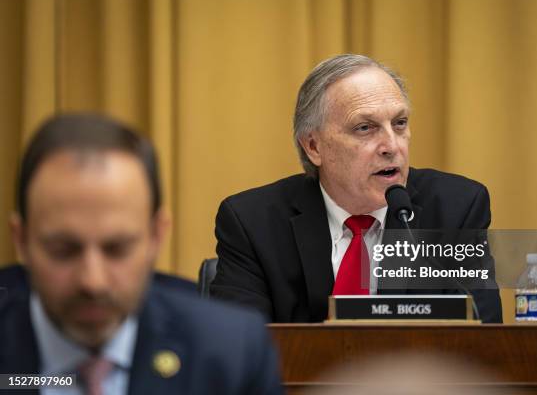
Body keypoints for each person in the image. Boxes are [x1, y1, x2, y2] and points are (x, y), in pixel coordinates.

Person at [0, 114, 283, 395]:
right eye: (63, 251)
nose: (92, 281)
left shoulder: (231, 352)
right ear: (21, 240)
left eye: (117, 249)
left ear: (156, 236)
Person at [211, 54, 502, 323]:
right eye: (365, 128)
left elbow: (482, 342)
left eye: (399, 123)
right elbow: (237, 351)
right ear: (313, 146)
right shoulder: (252, 223)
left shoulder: (456, 209)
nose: (392, 146)